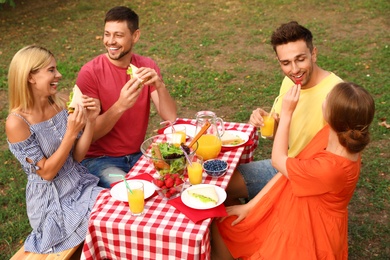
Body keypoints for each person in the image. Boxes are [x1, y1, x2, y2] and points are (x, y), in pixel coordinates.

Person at [211, 82, 375, 259]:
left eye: (327, 97)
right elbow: (287, 170)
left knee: (225, 230)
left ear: (333, 116)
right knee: (225, 225)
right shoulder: (333, 134)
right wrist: (250, 207)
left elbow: (279, 161)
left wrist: (287, 112)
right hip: (293, 209)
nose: (324, 98)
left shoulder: (331, 168)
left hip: (309, 233)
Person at [225, 21, 343, 205]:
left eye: (300, 59)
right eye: (286, 63)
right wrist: (267, 122)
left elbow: (337, 162)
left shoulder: (336, 94)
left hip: (308, 179)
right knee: (220, 186)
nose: (294, 70)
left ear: (314, 54)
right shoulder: (290, 82)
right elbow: (280, 138)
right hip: (284, 164)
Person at [6, 45, 104, 254]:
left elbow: (76, 157)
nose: (59, 75)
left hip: (79, 185)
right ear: (30, 76)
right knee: (107, 223)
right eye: (51, 70)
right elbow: (48, 173)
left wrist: (91, 121)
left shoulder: (58, 104)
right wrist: (70, 132)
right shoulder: (17, 123)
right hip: (53, 204)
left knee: (114, 212)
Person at [76, 6, 177, 188]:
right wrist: (120, 106)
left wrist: (159, 86)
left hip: (138, 155)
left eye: (118, 35)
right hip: (101, 160)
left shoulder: (146, 66)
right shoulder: (90, 72)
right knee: (133, 192)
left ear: (135, 36)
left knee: (172, 184)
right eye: (107, 34)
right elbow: (91, 136)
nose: (110, 41)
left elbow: (170, 118)